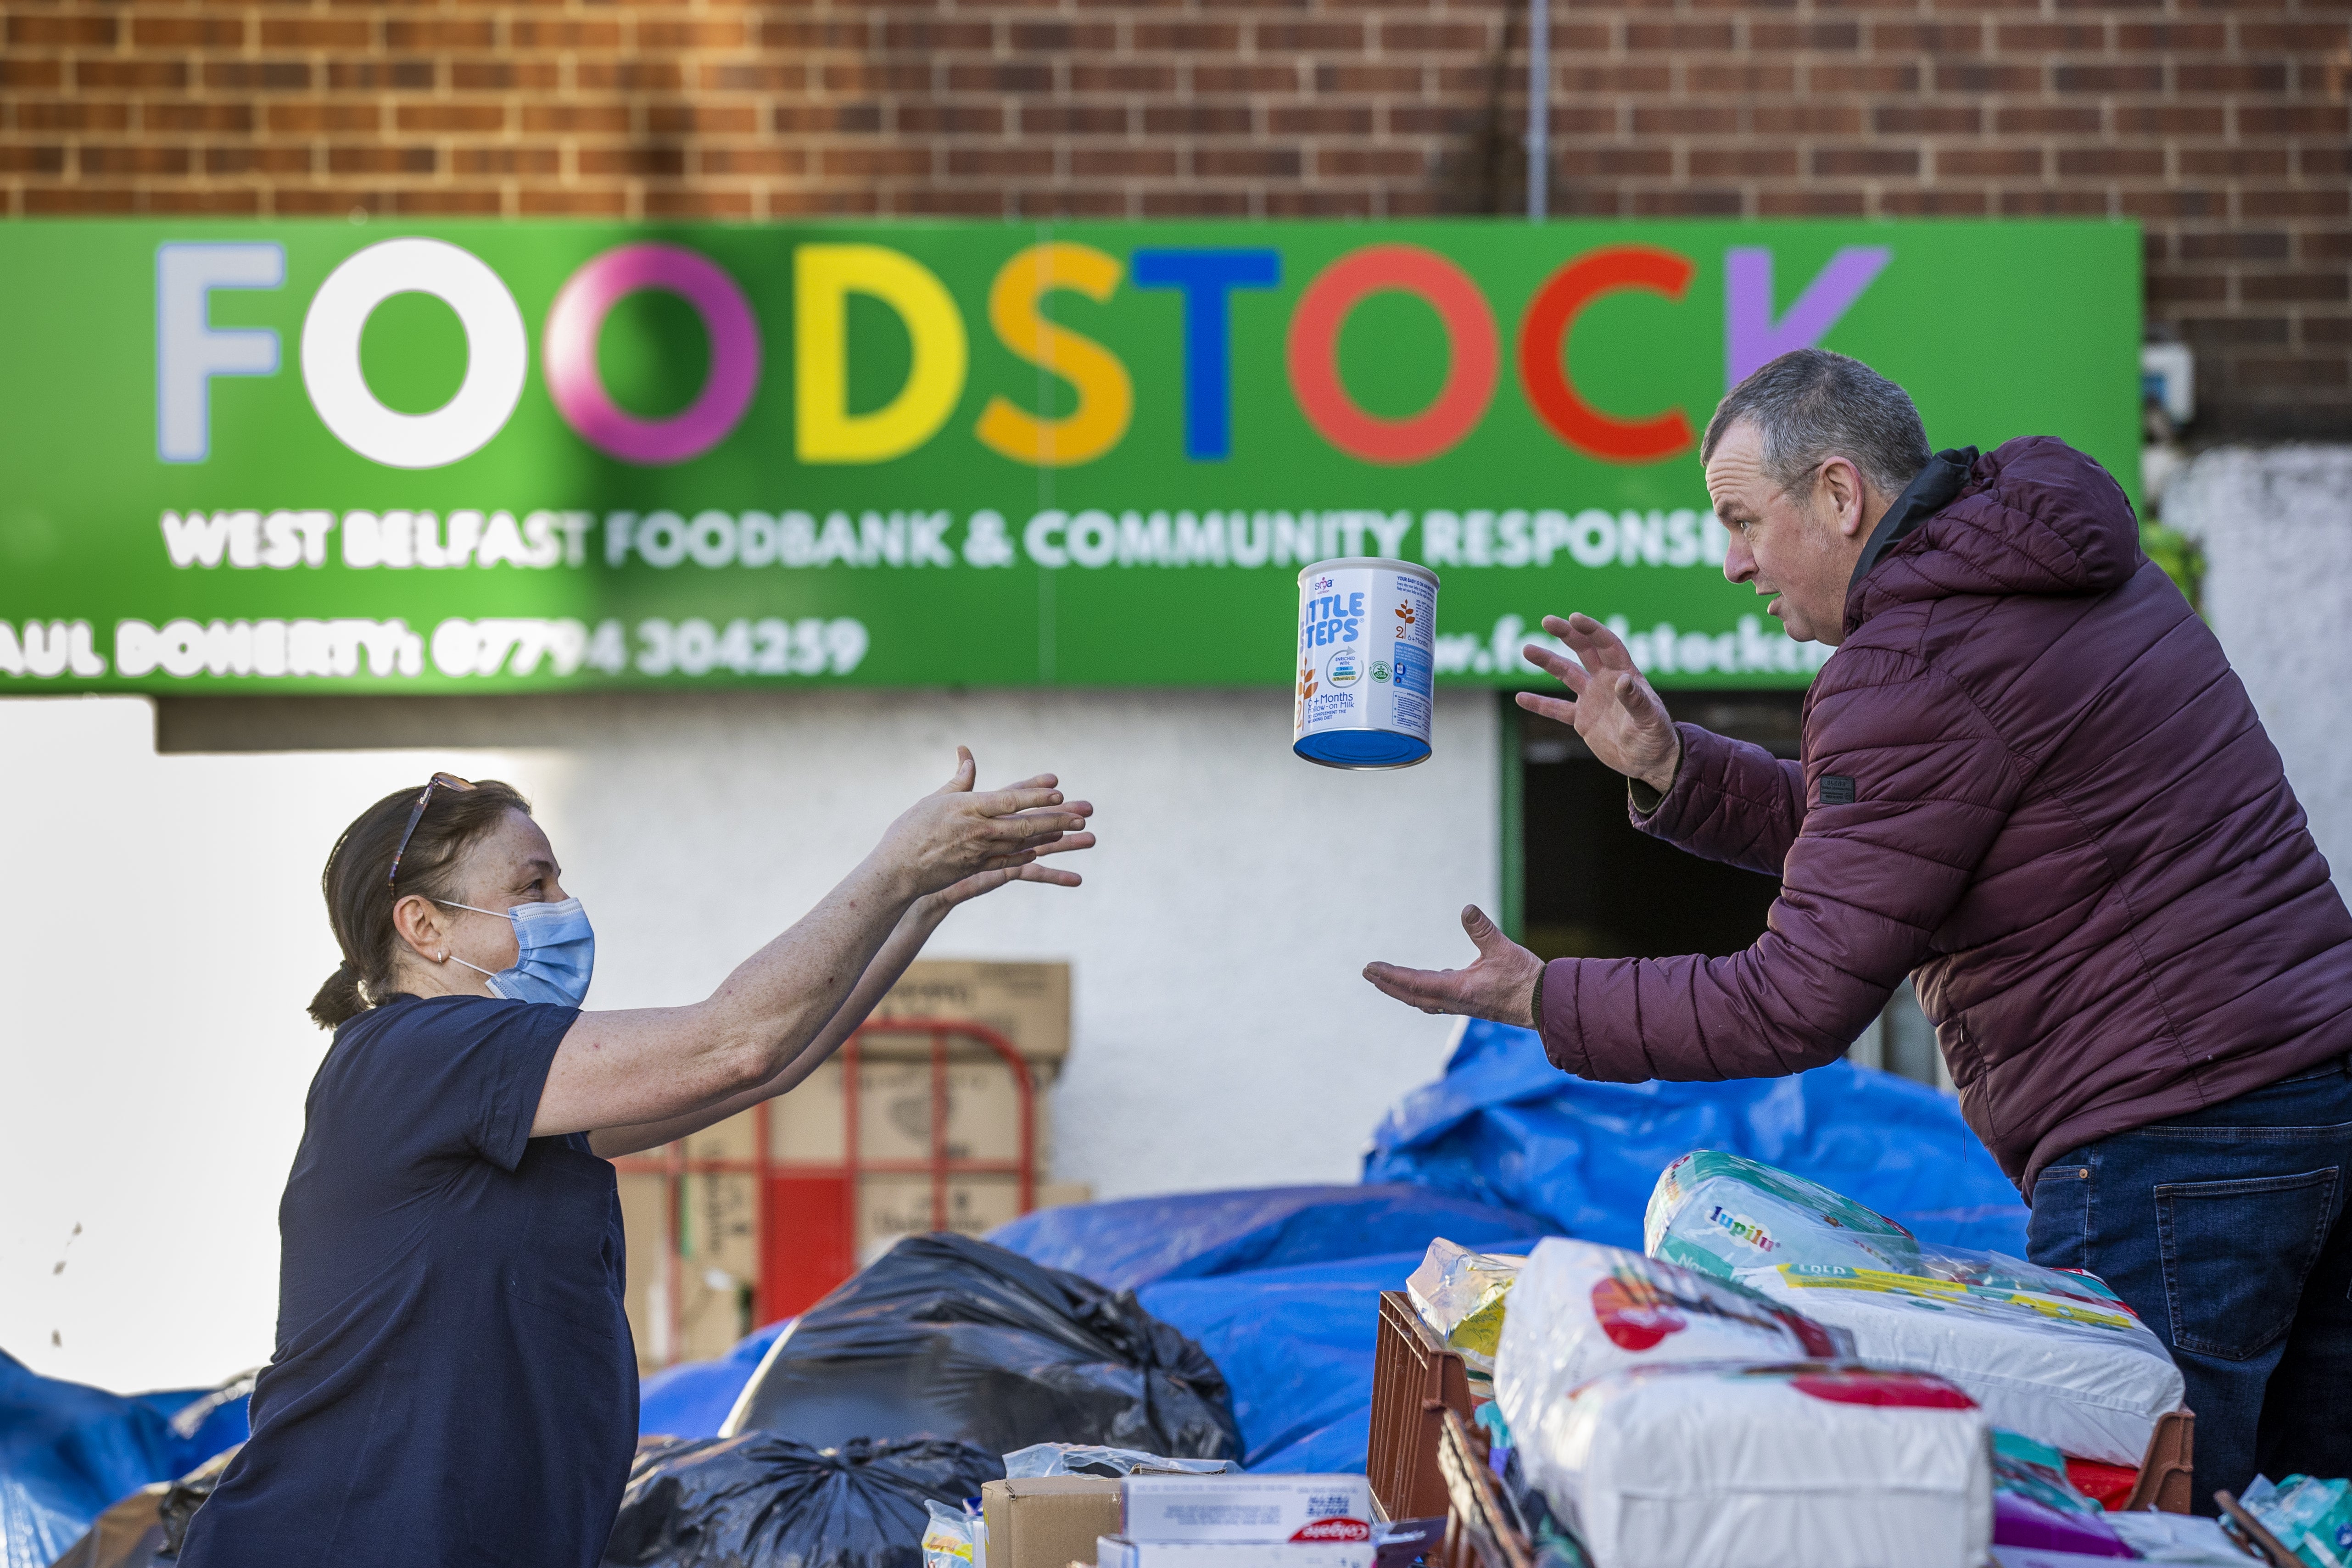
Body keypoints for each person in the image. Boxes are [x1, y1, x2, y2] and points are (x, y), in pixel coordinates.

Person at [1364, 348, 2352, 1509]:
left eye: (1741, 519)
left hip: (2168, 1147)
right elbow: (1900, 837)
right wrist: (1672, 765)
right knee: (2300, 1517)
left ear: (1839, 494)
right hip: (2310, 1093)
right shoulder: (2049, 571)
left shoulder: (1911, 661)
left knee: (2151, 1524)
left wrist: (1544, 997)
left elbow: (1796, 996)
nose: (1731, 562)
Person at [178, 749, 1094, 1568]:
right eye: (532, 886)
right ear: (424, 926)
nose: (562, 910)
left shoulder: (492, 1091)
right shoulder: (426, 1050)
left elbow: (762, 1070)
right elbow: (730, 1042)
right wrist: (891, 867)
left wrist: (920, 901)